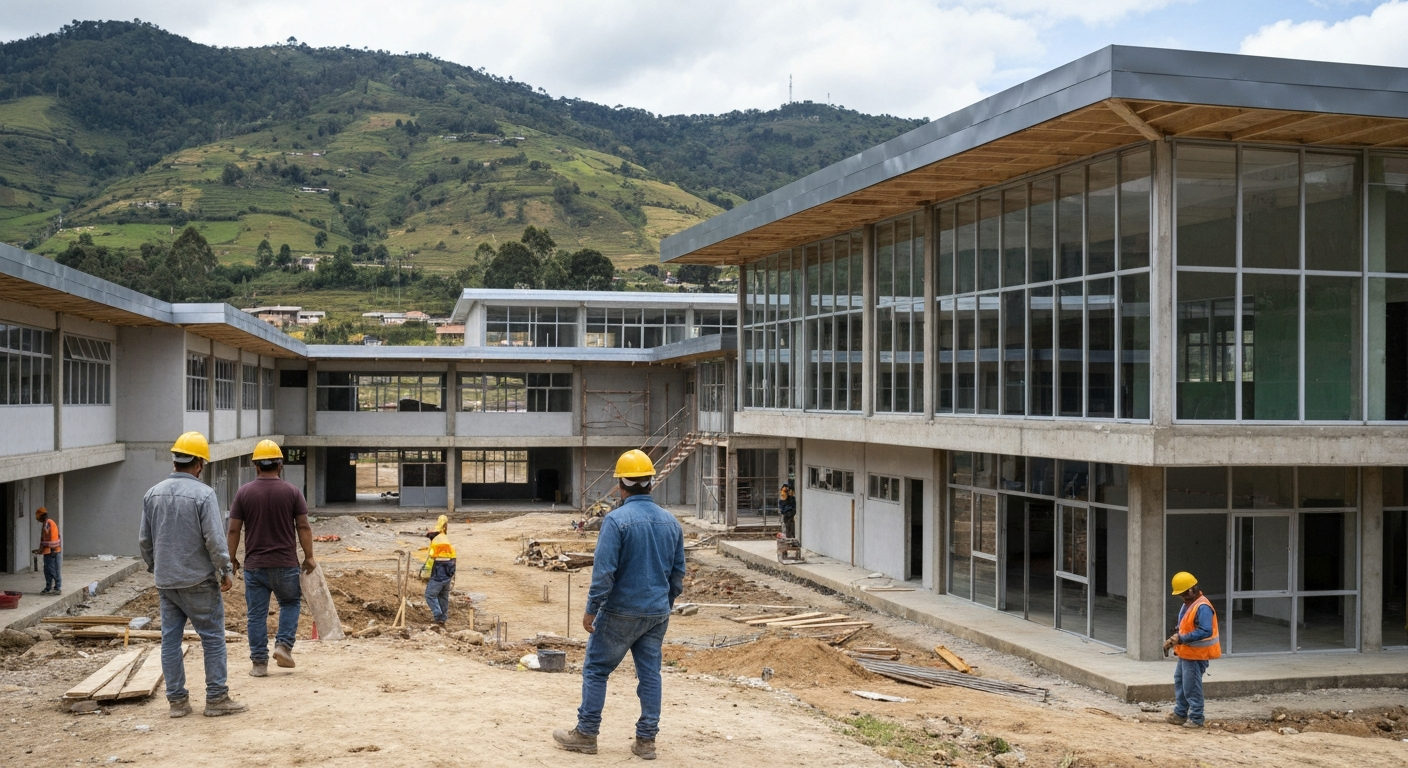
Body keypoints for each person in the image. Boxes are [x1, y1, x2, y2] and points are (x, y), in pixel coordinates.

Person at [554, 449, 685, 761]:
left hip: (620, 612)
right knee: (650, 674)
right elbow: (678, 573)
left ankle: (586, 733)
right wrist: (664, 604)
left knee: (597, 669)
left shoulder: (616, 521)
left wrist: (591, 610)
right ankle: (646, 740)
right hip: (656, 613)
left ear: (622, 485)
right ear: (651, 482)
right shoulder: (671, 522)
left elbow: (604, 574)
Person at [139, 431, 246, 719]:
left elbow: (145, 541)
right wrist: (225, 570)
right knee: (212, 638)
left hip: (167, 582)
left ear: (175, 460)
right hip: (198, 581)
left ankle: (177, 702)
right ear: (199, 463)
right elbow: (215, 539)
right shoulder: (203, 494)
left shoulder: (152, 494)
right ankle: (216, 698)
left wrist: (157, 567)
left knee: (170, 641)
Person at [227, 439, 315, 678]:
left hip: (255, 566)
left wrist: (231, 559)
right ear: (280, 465)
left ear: (256, 466)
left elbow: (233, 530)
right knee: (290, 603)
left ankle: (259, 664)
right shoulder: (292, 492)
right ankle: (283, 646)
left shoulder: (244, 493)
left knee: (256, 615)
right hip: (285, 564)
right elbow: (303, 526)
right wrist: (309, 557)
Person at [1164, 571, 1220, 728]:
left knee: (1191, 686)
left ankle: (1196, 717)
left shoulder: (1203, 607)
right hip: (1187, 653)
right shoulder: (1188, 605)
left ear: (1190, 590)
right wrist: (1174, 639)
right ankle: (1180, 713)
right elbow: (1185, 627)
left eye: (1183, 594)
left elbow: (1205, 631)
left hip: (1197, 655)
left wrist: (1181, 639)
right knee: (1180, 681)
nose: (1182, 597)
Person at [423, 515, 457, 625]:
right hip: (449, 569)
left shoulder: (436, 540)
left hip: (440, 569)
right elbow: (453, 556)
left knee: (430, 595)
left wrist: (425, 572)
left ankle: (438, 615)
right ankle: (443, 619)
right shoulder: (444, 538)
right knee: (443, 596)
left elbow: (431, 557)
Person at [32, 507, 61, 595]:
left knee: (53, 571)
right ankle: (48, 588)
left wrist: (50, 549)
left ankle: (57, 588)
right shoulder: (47, 523)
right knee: (47, 571)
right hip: (49, 551)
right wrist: (40, 549)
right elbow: (44, 539)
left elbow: (51, 538)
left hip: (52, 551)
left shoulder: (48, 524)